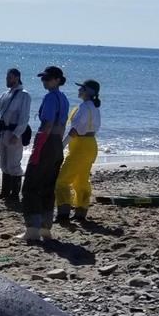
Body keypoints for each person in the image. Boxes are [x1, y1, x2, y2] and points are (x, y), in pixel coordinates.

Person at [20, 66, 69, 242]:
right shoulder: (64, 98)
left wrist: (38, 149)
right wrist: (57, 147)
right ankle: (45, 228)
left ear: (57, 80)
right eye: (43, 78)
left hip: (46, 141)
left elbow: (47, 124)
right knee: (48, 186)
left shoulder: (50, 97)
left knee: (31, 186)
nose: (44, 81)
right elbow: (62, 127)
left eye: (47, 79)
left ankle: (32, 229)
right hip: (56, 143)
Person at [55, 80, 102, 224]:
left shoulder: (84, 107)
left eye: (82, 88)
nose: (79, 90)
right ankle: (81, 212)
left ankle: (63, 213)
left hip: (81, 146)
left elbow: (74, 131)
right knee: (81, 180)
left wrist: (61, 146)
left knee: (62, 181)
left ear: (88, 91)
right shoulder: (94, 108)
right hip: (90, 145)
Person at [0, 68, 31, 202]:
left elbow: (24, 117)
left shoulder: (24, 95)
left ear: (17, 78)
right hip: (3, 132)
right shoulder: (6, 94)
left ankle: (14, 195)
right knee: (4, 163)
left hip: (14, 133)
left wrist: (17, 134)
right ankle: (5, 192)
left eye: (9, 77)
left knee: (13, 164)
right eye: (7, 77)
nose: (7, 80)